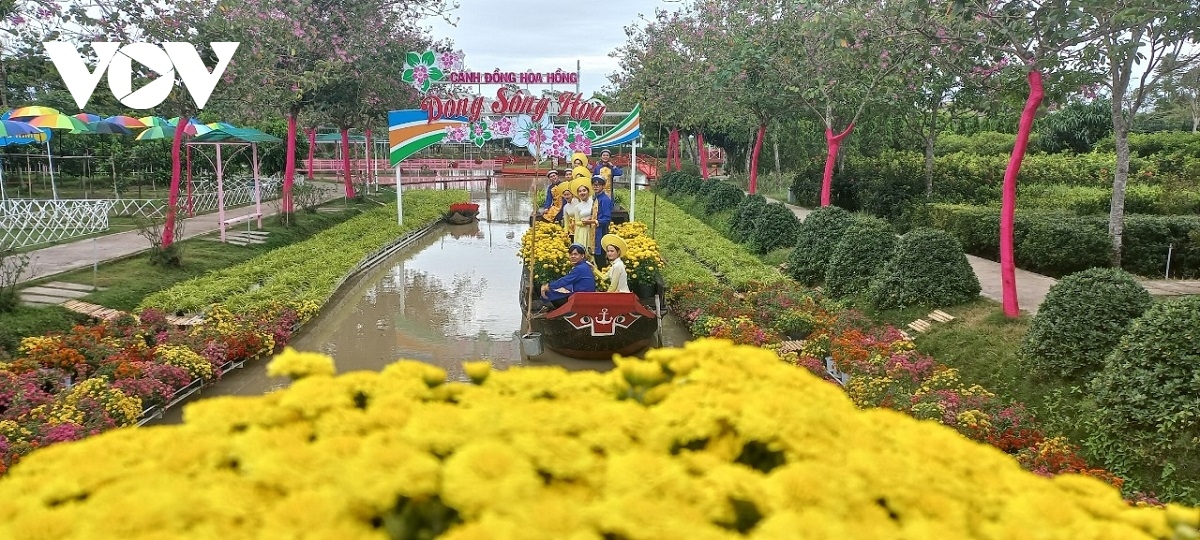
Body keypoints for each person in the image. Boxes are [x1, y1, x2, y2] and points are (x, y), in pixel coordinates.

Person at [540, 243, 596, 308]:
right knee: (559, 289)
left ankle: (559, 310)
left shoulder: (580, 268)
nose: (573, 256)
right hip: (583, 294)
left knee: (549, 292)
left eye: (575, 254)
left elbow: (565, 280)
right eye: (571, 254)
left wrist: (548, 286)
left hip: (581, 297)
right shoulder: (584, 265)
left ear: (582, 255)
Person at [589, 176, 614, 269]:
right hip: (594, 230)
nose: (596, 187)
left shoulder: (605, 199)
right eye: (594, 185)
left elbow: (607, 219)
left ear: (603, 186)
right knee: (595, 255)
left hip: (601, 231)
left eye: (598, 185)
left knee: (601, 257)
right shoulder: (596, 198)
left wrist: (593, 221)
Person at [567, 178, 596, 255]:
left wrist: (591, 219)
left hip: (593, 230)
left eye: (584, 190)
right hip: (583, 232)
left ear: (588, 191)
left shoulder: (594, 203)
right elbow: (577, 222)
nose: (582, 193)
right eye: (579, 191)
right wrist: (585, 222)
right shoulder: (577, 207)